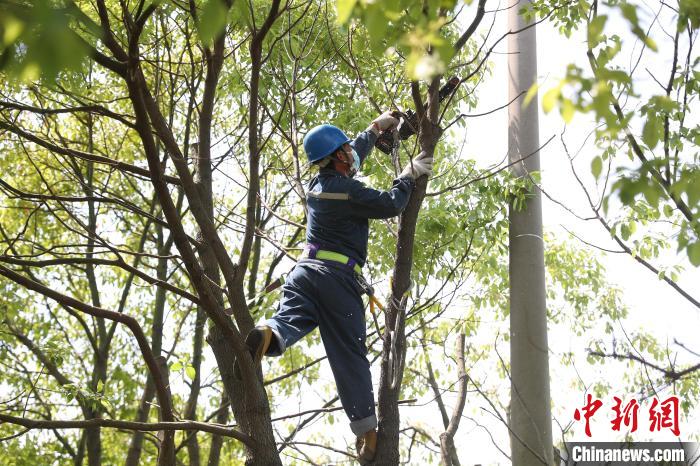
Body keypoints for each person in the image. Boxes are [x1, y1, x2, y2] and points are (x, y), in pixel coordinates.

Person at [242, 112, 433, 464]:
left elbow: (354, 154)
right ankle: (367, 434)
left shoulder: (318, 187)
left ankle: (266, 333)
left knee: (290, 318)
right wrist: (407, 178)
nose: (351, 151)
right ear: (339, 156)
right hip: (337, 279)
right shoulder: (349, 191)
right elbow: (391, 203)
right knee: (349, 356)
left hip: (304, 272)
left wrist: (375, 129)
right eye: (346, 148)